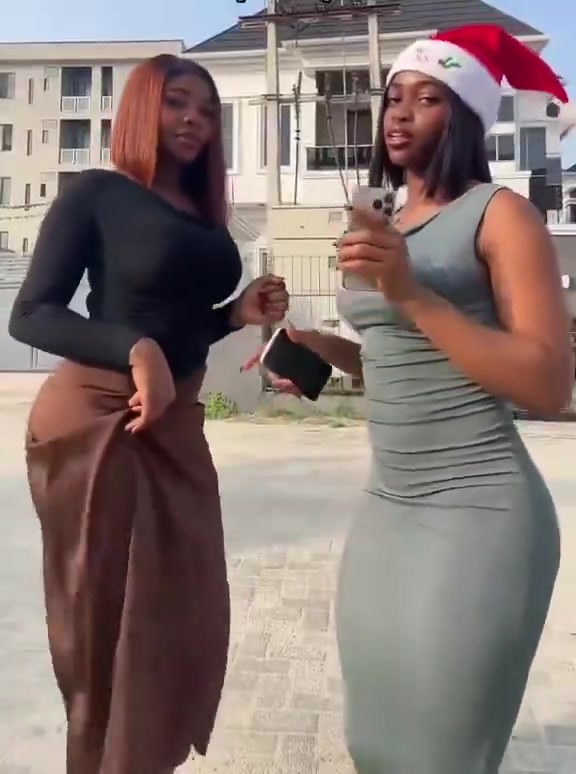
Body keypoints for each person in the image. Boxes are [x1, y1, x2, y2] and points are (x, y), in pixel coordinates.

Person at [253, 25, 574, 774]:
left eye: (428, 98)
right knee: (376, 744)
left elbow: (549, 383)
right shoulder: (390, 221)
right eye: (394, 96)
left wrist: (410, 293)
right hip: (387, 507)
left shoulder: (501, 214)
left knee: (438, 757)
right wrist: (316, 348)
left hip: (479, 509)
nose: (399, 112)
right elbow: (404, 361)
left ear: (465, 116)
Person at [8, 55, 288, 774]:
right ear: (141, 107)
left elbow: (179, 326)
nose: (195, 118)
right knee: (103, 640)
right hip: (100, 422)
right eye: (177, 102)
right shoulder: (97, 194)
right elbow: (30, 314)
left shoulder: (203, 215)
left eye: (208, 110)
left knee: (177, 620)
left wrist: (234, 315)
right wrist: (131, 348)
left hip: (173, 429)